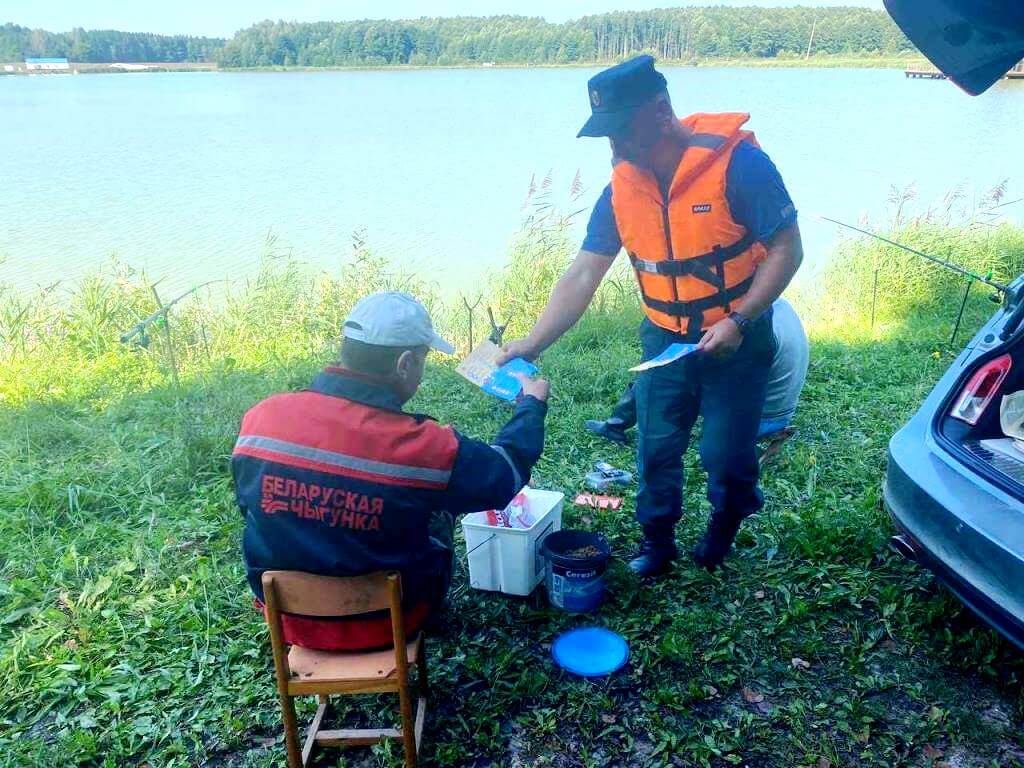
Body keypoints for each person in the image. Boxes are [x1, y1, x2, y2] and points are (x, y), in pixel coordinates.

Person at [500, 55, 803, 575]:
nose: (615, 147)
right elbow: (582, 274)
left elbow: (787, 249)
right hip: (664, 340)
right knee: (656, 449)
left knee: (726, 457)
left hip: (737, 339)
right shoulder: (621, 190)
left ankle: (722, 531)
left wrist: (741, 320)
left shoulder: (741, 166)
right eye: (607, 136)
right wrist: (533, 342)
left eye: (623, 131)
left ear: (662, 112)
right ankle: (657, 544)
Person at [233, 291, 549, 650]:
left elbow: (247, 505)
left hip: (289, 620)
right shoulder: (424, 446)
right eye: (423, 361)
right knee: (439, 504)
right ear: (404, 364)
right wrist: (531, 405)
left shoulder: (262, 418)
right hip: (393, 620)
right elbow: (504, 475)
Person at [586, 298, 809, 445]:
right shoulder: (778, 306)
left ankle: (614, 426)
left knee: (659, 372)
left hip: (754, 422)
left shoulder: (748, 321)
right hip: (780, 415)